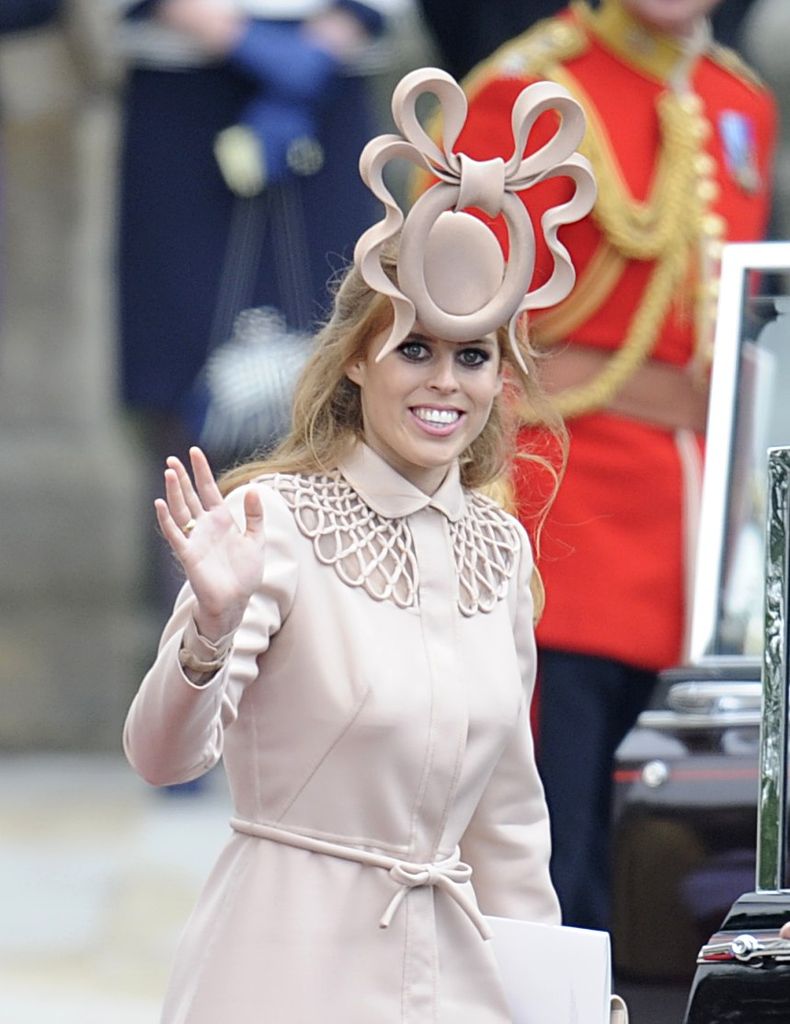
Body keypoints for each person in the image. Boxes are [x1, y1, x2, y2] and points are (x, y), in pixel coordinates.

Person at [123, 66, 596, 1021]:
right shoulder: (274, 522)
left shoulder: (499, 549)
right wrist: (207, 634)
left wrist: (558, 1008)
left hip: (455, 983)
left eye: (473, 356)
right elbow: (163, 757)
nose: (445, 382)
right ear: (355, 364)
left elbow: (509, 828)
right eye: (415, 348)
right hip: (276, 977)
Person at [450, 0, 777, 932]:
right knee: (553, 845)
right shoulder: (528, 93)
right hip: (565, 509)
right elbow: (466, 319)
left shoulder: (733, 97)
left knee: (672, 852)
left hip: (702, 521)